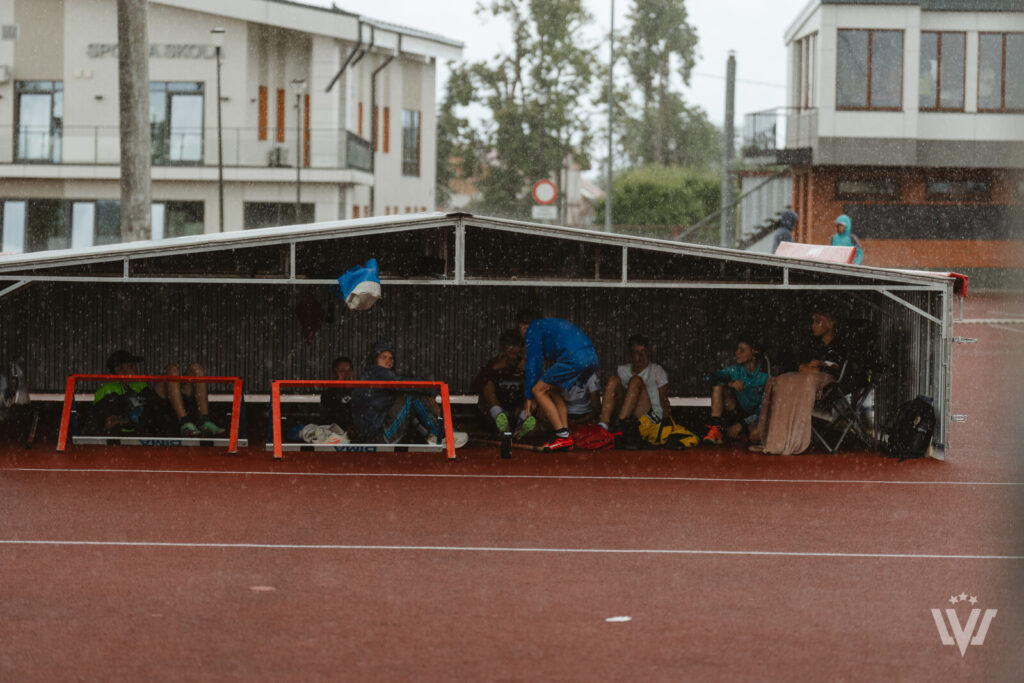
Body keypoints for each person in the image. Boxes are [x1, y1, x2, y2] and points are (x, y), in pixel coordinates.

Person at [753, 310, 845, 455]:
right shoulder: (811, 344)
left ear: (830, 324)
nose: (813, 326)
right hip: (804, 377)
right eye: (812, 322)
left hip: (825, 383)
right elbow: (801, 364)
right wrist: (805, 366)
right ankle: (775, 440)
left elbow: (836, 369)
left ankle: (794, 440)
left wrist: (819, 367)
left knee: (806, 381)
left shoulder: (841, 344)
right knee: (780, 381)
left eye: (817, 322)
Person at [351, 340, 468, 448]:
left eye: (391, 358)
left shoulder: (371, 374)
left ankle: (436, 434)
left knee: (411, 395)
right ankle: (444, 433)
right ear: (375, 359)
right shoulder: (377, 373)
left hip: (374, 434)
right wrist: (434, 389)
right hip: (377, 437)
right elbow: (405, 383)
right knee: (411, 395)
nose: (389, 361)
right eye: (384, 357)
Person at [91, 349, 225, 437]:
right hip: (130, 434)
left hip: (164, 415)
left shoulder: (141, 384)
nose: (136, 368)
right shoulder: (106, 390)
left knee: (195, 369)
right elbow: (103, 421)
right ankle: (185, 423)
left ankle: (204, 420)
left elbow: (153, 406)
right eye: (131, 365)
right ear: (118, 369)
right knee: (171, 370)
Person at [518, 311, 599, 452]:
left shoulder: (533, 328)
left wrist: (529, 397)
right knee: (553, 391)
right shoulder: (550, 323)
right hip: (591, 356)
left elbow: (533, 363)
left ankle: (562, 436)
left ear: (523, 325)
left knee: (538, 390)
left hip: (575, 357)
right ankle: (566, 435)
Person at [597, 334, 671, 447]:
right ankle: (603, 426)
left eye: (644, 351)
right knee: (613, 380)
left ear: (649, 353)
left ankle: (620, 426)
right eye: (636, 352)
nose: (641, 356)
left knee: (636, 380)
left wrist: (666, 424)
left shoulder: (656, 370)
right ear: (630, 355)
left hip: (650, 417)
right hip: (628, 415)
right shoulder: (622, 370)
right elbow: (616, 395)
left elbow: (664, 399)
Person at [702, 337, 770, 445]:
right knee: (718, 384)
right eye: (737, 349)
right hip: (737, 412)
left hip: (755, 416)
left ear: (754, 352)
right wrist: (730, 383)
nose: (737, 352)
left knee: (756, 436)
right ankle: (716, 429)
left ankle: (741, 434)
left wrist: (741, 424)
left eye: (742, 350)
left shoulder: (765, 374)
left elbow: (763, 408)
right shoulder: (735, 370)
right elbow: (708, 378)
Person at [470, 330, 536, 438]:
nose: (512, 349)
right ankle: (500, 420)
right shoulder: (495, 363)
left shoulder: (525, 364)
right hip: (496, 411)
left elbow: (542, 387)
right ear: (503, 347)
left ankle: (522, 424)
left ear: (521, 348)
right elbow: (474, 387)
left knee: (534, 387)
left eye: (516, 345)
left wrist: (528, 371)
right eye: (509, 345)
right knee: (487, 383)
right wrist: (493, 369)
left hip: (517, 409)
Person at [320, 356, 355, 433]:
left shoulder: (359, 392)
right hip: (335, 436)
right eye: (342, 370)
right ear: (335, 374)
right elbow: (327, 419)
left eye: (349, 370)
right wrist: (344, 430)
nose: (346, 374)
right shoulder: (328, 395)